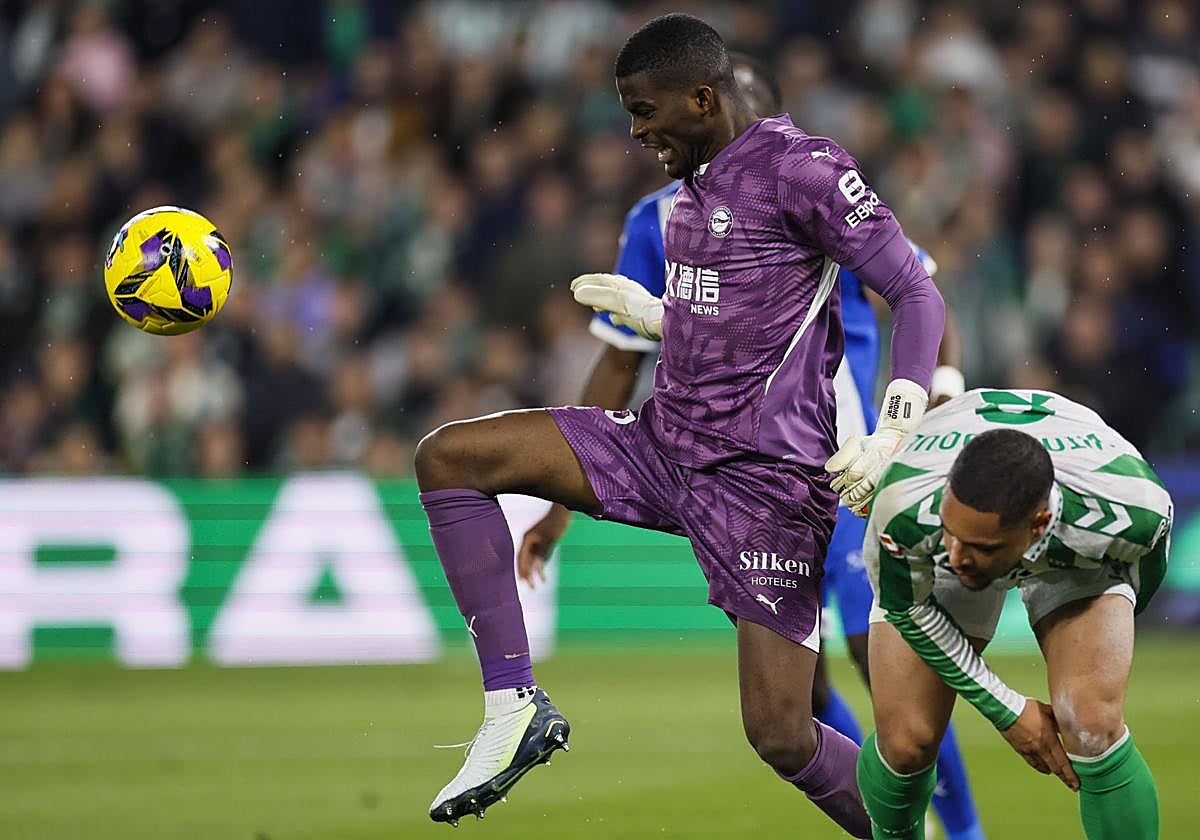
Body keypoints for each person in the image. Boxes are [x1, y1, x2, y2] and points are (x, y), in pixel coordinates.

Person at [415, 14, 944, 835]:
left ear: (702, 98)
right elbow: (751, 315)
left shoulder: (803, 170)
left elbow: (916, 291)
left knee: (780, 731)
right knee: (451, 457)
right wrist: (664, 319)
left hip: (763, 483)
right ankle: (512, 704)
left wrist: (897, 428)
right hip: (661, 445)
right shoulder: (690, 190)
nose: (636, 131)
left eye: (644, 110)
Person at [857, 389, 1172, 839]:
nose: (958, 555)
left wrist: (1099, 638)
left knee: (1092, 726)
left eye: (979, 546)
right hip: (950, 529)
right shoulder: (905, 504)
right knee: (906, 743)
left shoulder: (1132, 510)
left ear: (1039, 524)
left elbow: (1142, 572)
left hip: (1072, 550)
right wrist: (1008, 710)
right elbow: (907, 608)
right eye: (952, 534)